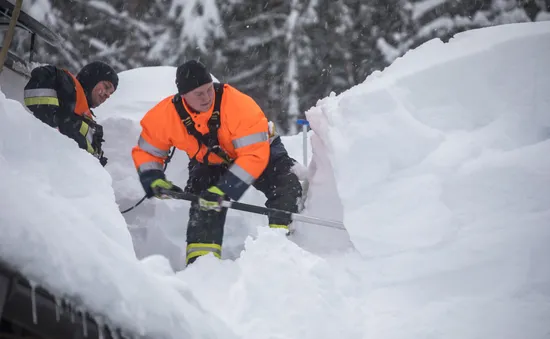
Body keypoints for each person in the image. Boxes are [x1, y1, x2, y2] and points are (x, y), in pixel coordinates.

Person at [131, 60, 303, 266]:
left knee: (286, 185)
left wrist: (225, 189)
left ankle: (281, 252)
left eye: (208, 90)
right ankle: (203, 265)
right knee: (204, 202)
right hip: (209, 160)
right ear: (183, 96)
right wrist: (153, 179)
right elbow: (147, 151)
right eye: (199, 94)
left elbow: (253, 157)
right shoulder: (165, 115)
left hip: (262, 150)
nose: (206, 97)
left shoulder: (240, 106)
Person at [23, 61, 119, 166]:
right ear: (92, 79)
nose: (107, 95)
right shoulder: (67, 85)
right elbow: (43, 75)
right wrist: (53, 122)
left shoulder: (86, 118)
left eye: (110, 93)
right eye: (106, 86)